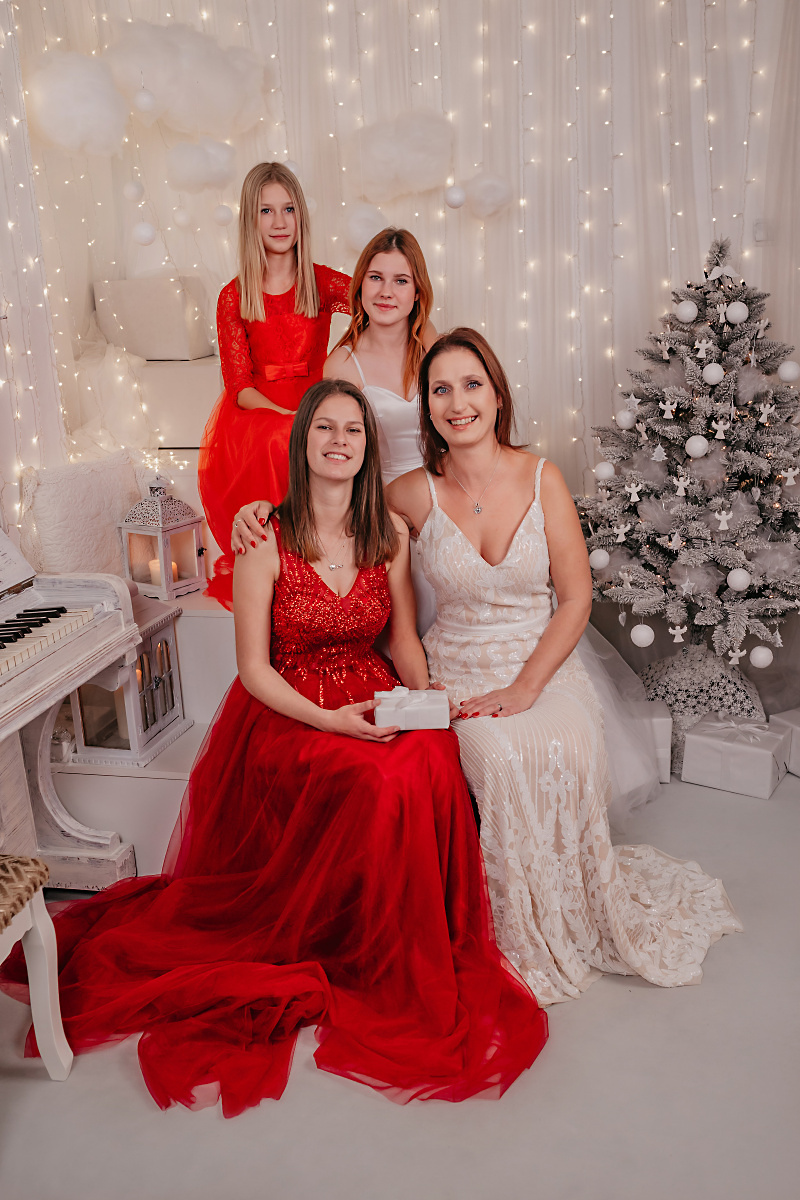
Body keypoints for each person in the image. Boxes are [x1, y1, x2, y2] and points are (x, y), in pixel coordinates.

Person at [0, 379, 548, 1115]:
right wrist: (331, 722)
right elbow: (254, 671)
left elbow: (403, 640)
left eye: (353, 430)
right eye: (325, 428)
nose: (339, 441)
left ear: (367, 447)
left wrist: (427, 704)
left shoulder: (388, 534)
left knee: (427, 761)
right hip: (291, 709)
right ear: (303, 442)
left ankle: (398, 946)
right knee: (375, 780)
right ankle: (350, 948)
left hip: (369, 686)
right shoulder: (265, 539)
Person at [386, 327, 742, 1006]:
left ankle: (571, 907)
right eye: (440, 390)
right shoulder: (407, 494)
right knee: (499, 758)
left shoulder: (542, 477)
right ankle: (511, 927)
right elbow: (328, 518)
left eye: (471, 385)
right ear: (426, 407)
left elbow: (576, 599)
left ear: (497, 396)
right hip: (457, 670)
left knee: (566, 743)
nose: (457, 402)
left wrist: (526, 687)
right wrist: (260, 514)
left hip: (541, 662)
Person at [198, 162, 351, 608]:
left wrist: (346, 358)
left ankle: (328, 554)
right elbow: (239, 385)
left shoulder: (321, 281)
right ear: (251, 220)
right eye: (266, 211)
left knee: (324, 429)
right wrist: (288, 416)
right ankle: (286, 564)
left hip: (316, 397)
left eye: (288, 209)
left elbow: (375, 307)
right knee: (282, 438)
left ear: (301, 215)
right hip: (260, 410)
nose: (279, 222)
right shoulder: (234, 295)